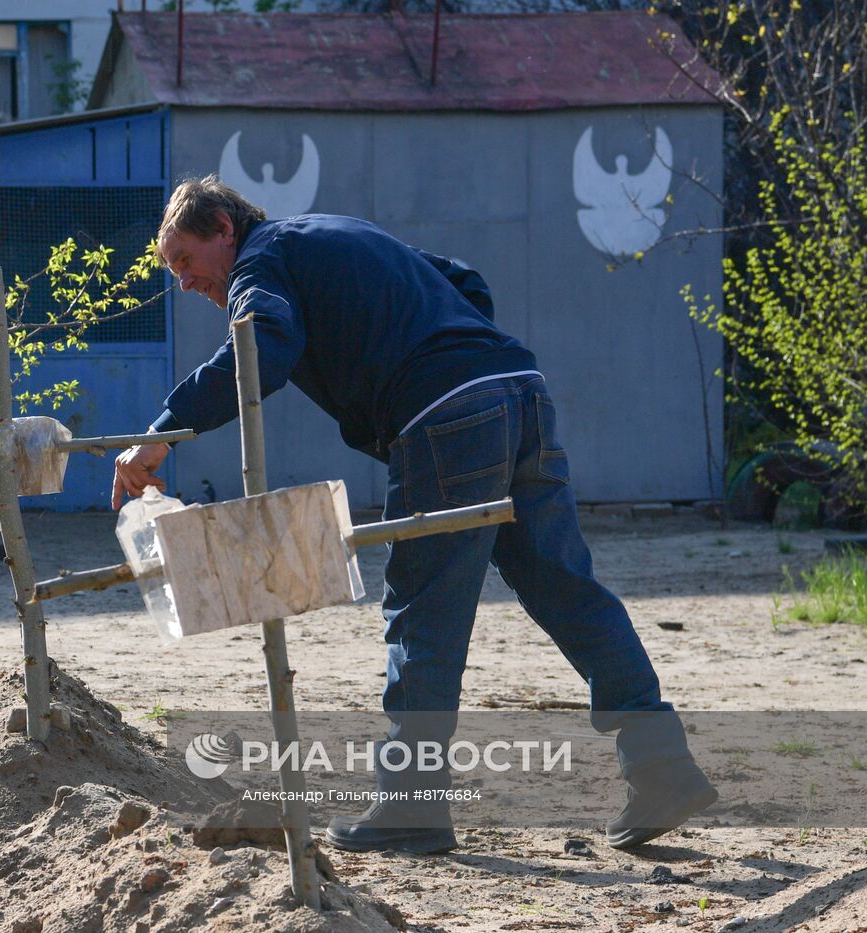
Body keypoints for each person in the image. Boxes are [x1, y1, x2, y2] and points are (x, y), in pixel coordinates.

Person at [111, 175, 717, 855]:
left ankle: (412, 805)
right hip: (518, 391)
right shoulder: (332, 232)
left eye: (185, 260)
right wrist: (459, 356)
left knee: (423, 610)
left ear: (223, 227)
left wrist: (162, 431)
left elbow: (263, 346)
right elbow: (465, 281)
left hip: (448, 419)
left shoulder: (262, 261)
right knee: (565, 586)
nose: (186, 282)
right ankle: (662, 764)